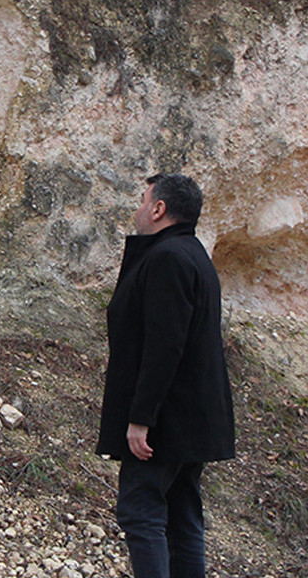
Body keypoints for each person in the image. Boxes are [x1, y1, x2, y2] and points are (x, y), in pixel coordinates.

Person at [96, 173, 235, 578]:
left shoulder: (167, 258)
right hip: (190, 418)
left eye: (143, 202)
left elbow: (164, 345)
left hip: (166, 419)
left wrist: (141, 418)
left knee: (141, 512)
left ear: (159, 210)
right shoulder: (194, 256)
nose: (138, 210)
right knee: (181, 515)